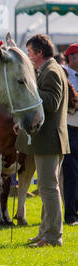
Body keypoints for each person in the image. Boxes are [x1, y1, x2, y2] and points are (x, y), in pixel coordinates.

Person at [15, 34, 70, 247]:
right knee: (48, 188)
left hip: (50, 141)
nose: (28, 56)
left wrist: (30, 89)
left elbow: (52, 102)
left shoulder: (51, 71)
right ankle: (45, 233)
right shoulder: (49, 69)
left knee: (48, 188)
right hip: (49, 140)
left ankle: (53, 236)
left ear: (39, 53)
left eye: (29, 52)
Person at [62, 43, 78, 225]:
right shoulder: (64, 74)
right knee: (71, 175)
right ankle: (71, 214)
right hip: (70, 128)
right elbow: (70, 101)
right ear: (72, 57)